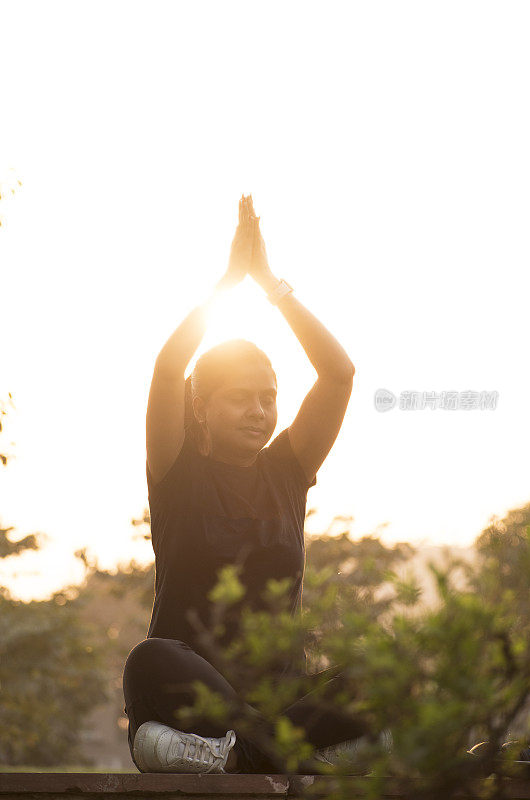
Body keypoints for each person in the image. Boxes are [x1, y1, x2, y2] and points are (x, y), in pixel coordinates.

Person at [122, 195, 365, 775]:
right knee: (151, 657)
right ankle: (274, 752)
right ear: (201, 408)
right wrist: (228, 283)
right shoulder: (176, 471)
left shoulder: (286, 470)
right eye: (240, 397)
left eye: (268, 397)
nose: (259, 410)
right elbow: (166, 369)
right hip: (192, 698)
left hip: (277, 701)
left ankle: (241, 757)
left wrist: (272, 287)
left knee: (375, 674)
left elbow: (339, 374)